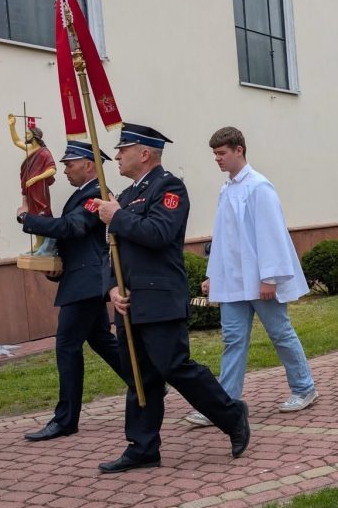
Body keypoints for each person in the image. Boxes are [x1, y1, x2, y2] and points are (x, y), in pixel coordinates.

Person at [94, 123, 250, 473]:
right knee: (138, 375)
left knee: (174, 367)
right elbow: (111, 251)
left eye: (124, 149)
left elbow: (160, 233)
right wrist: (112, 288)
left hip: (159, 299)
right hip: (129, 302)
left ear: (145, 153)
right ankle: (142, 446)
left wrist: (117, 216)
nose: (117, 155)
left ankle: (231, 413)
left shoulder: (169, 187)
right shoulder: (124, 195)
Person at [184, 127, 318, 428]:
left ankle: (304, 388)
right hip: (232, 282)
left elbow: (271, 233)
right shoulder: (227, 189)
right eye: (215, 155)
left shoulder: (259, 187)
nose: (217, 160)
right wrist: (212, 275)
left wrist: (270, 278)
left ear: (239, 150)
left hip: (259, 281)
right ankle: (224, 404)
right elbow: (223, 238)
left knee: (280, 333)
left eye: (221, 154)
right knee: (232, 340)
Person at [18, 140, 128, 441]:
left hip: (86, 283)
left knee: (67, 346)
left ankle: (66, 419)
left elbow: (73, 228)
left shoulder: (98, 194)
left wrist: (27, 220)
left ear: (88, 165)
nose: (65, 169)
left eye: (70, 163)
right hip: (82, 280)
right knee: (103, 342)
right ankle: (146, 381)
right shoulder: (83, 194)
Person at [8, 114, 57, 254]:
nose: (25, 136)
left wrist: (36, 179)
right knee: (33, 215)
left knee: (41, 214)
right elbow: (16, 141)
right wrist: (12, 126)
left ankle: (47, 243)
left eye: (27, 134)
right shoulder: (30, 150)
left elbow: (52, 170)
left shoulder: (44, 153)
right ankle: (39, 242)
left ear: (35, 136)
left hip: (39, 190)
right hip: (30, 190)